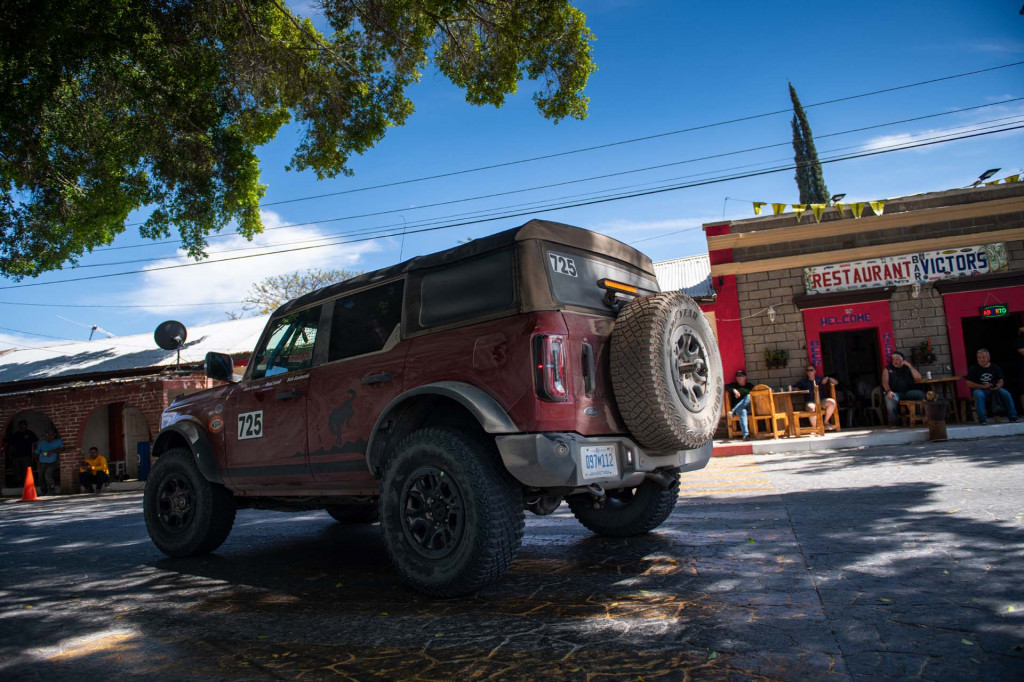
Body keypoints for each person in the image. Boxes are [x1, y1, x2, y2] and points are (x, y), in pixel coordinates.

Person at [966, 348, 1019, 425]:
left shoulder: (995, 367)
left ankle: (1013, 416)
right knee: (978, 394)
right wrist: (982, 386)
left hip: (994, 389)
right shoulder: (973, 368)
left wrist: (998, 386)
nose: (981, 359)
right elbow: (969, 383)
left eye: (983, 357)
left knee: (1005, 393)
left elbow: (1001, 380)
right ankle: (982, 419)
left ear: (989, 358)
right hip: (980, 389)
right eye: (979, 357)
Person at [881, 351, 925, 427]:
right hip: (896, 393)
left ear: (902, 360)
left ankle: (918, 418)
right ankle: (894, 421)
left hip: (908, 392)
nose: (895, 361)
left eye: (897, 359)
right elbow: (885, 382)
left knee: (920, 394)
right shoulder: (888, 369)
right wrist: (889, 391)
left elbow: (918, 377)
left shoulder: (907, 368)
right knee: (890, 399)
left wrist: (910, 366)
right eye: (893, 359)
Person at [796, 365, 839, 430]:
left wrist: (828, 378)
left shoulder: (819, 379)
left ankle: (826, 422)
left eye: (811, 370)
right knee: (811, 408)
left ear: (815, 371)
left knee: (832, 402)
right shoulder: (803, 382)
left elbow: (836, 383)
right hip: (810, 401)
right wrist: (796, 389)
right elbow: (794, 387)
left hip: (821, 400)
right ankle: (816, 428)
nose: (809, 372)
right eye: (808, 370)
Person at [725, 369, 754, 440]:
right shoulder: (734, 385)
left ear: (745, 377)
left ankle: (733, 411)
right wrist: (734, 390)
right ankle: (745, 435)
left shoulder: (749, 386)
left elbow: (757, 391)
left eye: (741, 376)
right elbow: (725, 387)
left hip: (750, 408)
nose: (739, 377)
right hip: (740, 409)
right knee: (742, 411)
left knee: (748, 396)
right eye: (737, 376)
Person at [8, 420, 38, 487]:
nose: (22, 426)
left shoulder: (30, 433)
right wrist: (10, 454)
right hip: (16, 456)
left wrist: (35, 453)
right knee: (17, 470)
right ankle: (19, 483)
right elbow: (11, 445)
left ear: (26, 426)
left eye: (23, 425)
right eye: (21, 425)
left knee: (27, 470)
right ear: (19, 426)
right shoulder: (15, 435)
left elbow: (35, 443)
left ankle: (27, 483)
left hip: (27, 455)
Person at [34, 428, 64, 495]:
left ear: (54, 435)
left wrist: (52, 451)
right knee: (41, 476)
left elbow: (62, 448)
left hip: (53, 463)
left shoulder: (58, 441)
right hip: (41, 462)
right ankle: (43, 490)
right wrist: (37, 461)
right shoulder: (42, 443)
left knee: (47, 473)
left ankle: (51, 490)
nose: (50, 436)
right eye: (48, 434)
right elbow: (36, 453)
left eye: (51, 434)